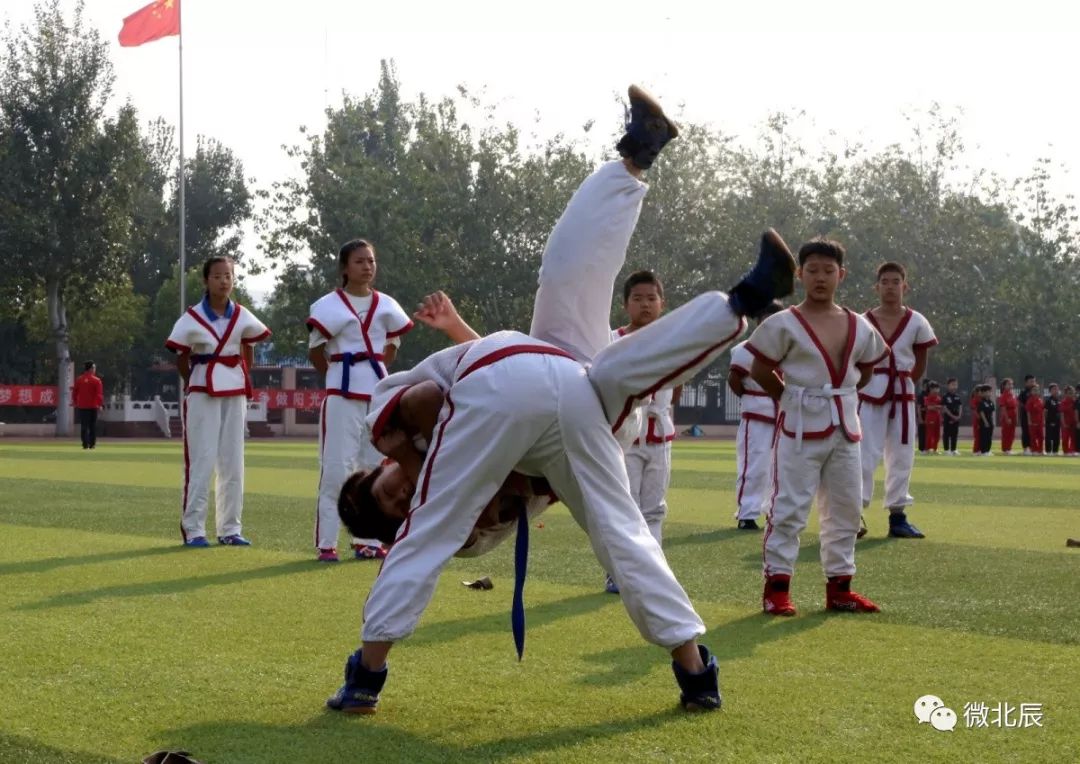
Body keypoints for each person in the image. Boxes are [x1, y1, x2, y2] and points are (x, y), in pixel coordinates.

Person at [323, 85, 795, 715]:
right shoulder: (457, 521)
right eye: (392, 506)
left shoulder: (391, 427)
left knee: (571, 275)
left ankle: (643, 163)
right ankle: (365, 677)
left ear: (379, 467)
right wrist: (436, 478)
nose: (400, 491)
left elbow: (431, 401)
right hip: (557, 409)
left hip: (542, 366)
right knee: (618, 521)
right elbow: (471, 500)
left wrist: (420, 464)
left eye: (386, 486)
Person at [748, 237, 888, 616]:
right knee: (789, 507)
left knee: (845, 509)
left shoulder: (860, 326)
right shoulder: (783, 324)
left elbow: (869, 367)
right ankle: (777, 589)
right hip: (798, 424)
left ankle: (840, 588)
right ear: (799, 274)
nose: (821, 278)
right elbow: (760, 369)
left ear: (841, 275)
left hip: (845, 425)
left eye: (829, 271)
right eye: (813, 270)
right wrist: (788, 398)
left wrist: (840, 393)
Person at [307, 239, 414, 562]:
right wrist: (337, 374)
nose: (367, 267)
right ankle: (327, 541)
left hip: (377, 393)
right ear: (344, 268)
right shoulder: (328, 305)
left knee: (372, 465)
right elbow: (316, 351)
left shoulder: (387, 305)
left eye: (370, 261)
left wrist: (373, 370)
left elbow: (392, 347)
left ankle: (368, 539)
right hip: (341, 394)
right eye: (359, 261)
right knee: (336, 466)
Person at [165, 256, 272, 547]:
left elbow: (248, 348)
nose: (224, 281)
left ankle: (230, 529)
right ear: (206, 281)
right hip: (202, 390)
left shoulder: (242, 315)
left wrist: (238, 374)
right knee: (201, 459)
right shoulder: (193, 317)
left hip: (234, 391)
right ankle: (194, 528)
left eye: (228, 276)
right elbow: (181, 357)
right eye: (217, 276)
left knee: (233, 461)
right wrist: (195, 380)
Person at [603, 270, 678, 593]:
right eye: (638, 299)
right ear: (625, 304)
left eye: (651, 298)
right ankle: (617, 572)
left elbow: (677, 385)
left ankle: (652, 570)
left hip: (660, 435)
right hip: (624, 435)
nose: (645, 305)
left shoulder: (673, 340)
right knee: (624, 505)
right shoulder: (611, 340)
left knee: (654, 507)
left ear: (662, 303)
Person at [857, 262, 937, 540]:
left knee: (902, 455)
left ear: (905, 286)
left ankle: (898, 516)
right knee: (863, 454)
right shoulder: (862, 320)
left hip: (902, 392)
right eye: (885, 281)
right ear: (876, 287)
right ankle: (854, 515)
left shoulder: (917, 321)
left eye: (895, 281)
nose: (890, 287)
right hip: (870, 389)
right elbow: (853, 358)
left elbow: (921, 361)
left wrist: (906, 384)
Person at [728, 339, 778, 531]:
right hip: (757, 411)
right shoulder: (745, 348)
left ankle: (770, 510)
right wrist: (750, 398)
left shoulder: (787, 341)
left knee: (776, 466)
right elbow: (734, 379)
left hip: (781, 410)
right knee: (753, 465)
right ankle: (747, 514)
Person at [72, 360, 104, 449]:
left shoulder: (79, 379)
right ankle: (92, 444)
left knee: (84, 425)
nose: (95, 370)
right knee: (92, 426)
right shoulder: (97, 380)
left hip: (82, 406)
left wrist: (75, 402)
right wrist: (100, 404)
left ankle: (85, 444)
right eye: (94, 368)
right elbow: (99, 394)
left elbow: (74, 392)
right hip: (93, 406)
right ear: (91, 369)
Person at [941, 378, 962, 455]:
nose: (954, 386)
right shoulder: (945, 396)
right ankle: (946, 450)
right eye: (953, 385)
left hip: (956, 419)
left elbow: (960, 406)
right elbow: (944, 408)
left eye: (956, 385)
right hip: (948, 418)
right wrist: (952, 416)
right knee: (946, 434)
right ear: (948, 386)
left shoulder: (957, 396)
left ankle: (953, 449)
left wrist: (959, 415)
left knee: (954, 434)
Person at [997, 378, 1018, 455]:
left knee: (1012, 433)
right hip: (1007, 414)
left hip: (1013, 415)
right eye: (1009, 384)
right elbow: (1003, 408)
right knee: (1006, 433)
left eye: (1011, 384)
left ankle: (1009, 448)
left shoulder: (1013, 395)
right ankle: (1005, 449)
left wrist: (1016, 417)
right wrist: (1006, 418)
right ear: (1004, 386)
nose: (1011, 386)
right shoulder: (1003, 395)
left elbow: (1016, 406)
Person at [1017, 374, 1037, 454]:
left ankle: (1034, 447)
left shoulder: (1036, 391)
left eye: (1034, 381)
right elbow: (1020, 403)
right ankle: (1026, 448)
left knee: (1034, 431)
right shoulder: (1023, 392)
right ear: (1026, 383)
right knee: (1026, 431)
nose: (1033, 383)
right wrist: (1027, 408)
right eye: (1031, 381)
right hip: (1025, 415)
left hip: (1035, 416)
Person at [1025, 384, 1045, 455]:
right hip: (1033, 422)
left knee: (1041, 437)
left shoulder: (1040, 400)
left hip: (1040, 422)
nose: (1036, 392)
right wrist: (1029, 421)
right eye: (1034, 390)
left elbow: (1042, 411)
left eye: (1037, 390)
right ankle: (1034, 450)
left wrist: (1043, 420)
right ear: (1031, 392)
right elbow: (1028, 412)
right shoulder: (1030, 401)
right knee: (1033, 437)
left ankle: (1041, 450)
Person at [975, 384, 995, 455]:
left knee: (989, 437)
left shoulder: (991, 402)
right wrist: (985, 422)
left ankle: (988, 450)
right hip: (984, 422)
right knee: (984, 436)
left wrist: (992, 422)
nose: (988, 393)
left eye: (989, 392)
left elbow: (992, 413)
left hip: (990, 421)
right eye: (986, 392)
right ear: (982, 393)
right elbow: (981, 412)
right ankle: (983, 451)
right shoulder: (981, 402)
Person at [923, 381, 942, 453]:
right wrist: (937, 407)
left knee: (937, 434)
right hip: (930, 417)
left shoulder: (939, 398)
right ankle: (927, 449)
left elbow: (942, 407)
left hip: (938, 417)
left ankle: (935, 449)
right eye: (935, 388)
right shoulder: (927, 397)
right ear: (930, 389)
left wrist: (936, 407)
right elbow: (929, 407)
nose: (937, 390)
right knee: (929, 433)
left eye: (938, 388)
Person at [1044, 383, 1062, 455]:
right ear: (1050, 391)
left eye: (1057, 389)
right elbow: (1045, 412)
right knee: (1049, 437)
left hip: (1057, 422)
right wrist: (1048, 421)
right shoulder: (1048, 400)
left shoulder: (1058, 400)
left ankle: (1055, 451)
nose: (1056, 390)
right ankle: (1048, 451)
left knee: (1056, 437)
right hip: (1050, 421)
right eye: (1054, 389)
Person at [1061, 385, 1077, 456]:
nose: (1071, 394)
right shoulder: (1063, 402)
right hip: (1066, 423)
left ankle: (1072, 451)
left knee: (1073, 438)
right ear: (1066, 394)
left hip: (1073, 423)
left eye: (1072, 392)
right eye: (1069, 393)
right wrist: (1063, 423)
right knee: (1065, 438)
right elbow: (1062, 413)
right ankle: (1066, 452)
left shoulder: (1075, 402)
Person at [916, 378, 930, 454]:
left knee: (928, 432)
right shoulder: (921, 395)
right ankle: (921, 449)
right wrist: (920, 418)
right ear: (924, 385)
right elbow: (918, 407)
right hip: (922, 415)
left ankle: (927, 447)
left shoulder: (930, 394)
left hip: (929, 416)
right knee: (922, 432)